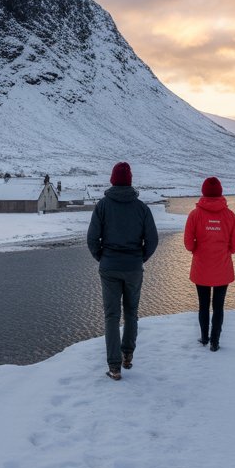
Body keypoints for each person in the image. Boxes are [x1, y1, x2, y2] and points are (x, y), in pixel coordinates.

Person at [86, 161, 159, 381]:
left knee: (111, 316)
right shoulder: (141, 208)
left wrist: (103, 257)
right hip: (133, 267)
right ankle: (127, 355)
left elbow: (92, 239)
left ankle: (114, 367)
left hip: (109, 267)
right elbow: (153, 240)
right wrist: (140, 257)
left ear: (112, 180)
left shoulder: (103, 206)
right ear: (130, 181)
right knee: (131, 312)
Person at [183, 176, 235, 351]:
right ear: (220, 192)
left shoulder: (195, 215)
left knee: (203, 305)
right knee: (218, 306)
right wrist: (225, 252)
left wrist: (197, 250)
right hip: (222, 269)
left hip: (201, 268)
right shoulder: (229, 215)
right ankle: (215, 342)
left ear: (203, 192)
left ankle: (204, 338)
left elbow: (188, 243)